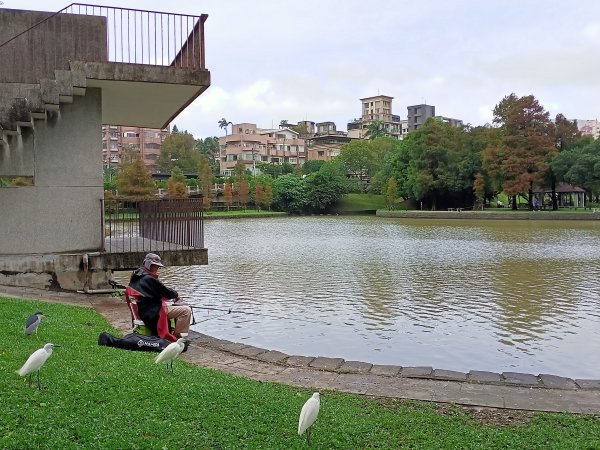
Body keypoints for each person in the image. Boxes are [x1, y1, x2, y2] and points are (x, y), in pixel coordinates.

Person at [128, 253, 192, 340]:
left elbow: (159, 290)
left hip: (143, 309)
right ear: (149, 265)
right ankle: (177, 337)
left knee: (171, 305)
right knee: (186, 310)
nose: (157, 268)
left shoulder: (137, 274)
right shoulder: (149, 279)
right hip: (153, 312)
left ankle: (174, 332)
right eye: (155, 266)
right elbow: (167, 293)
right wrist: (176, 295)